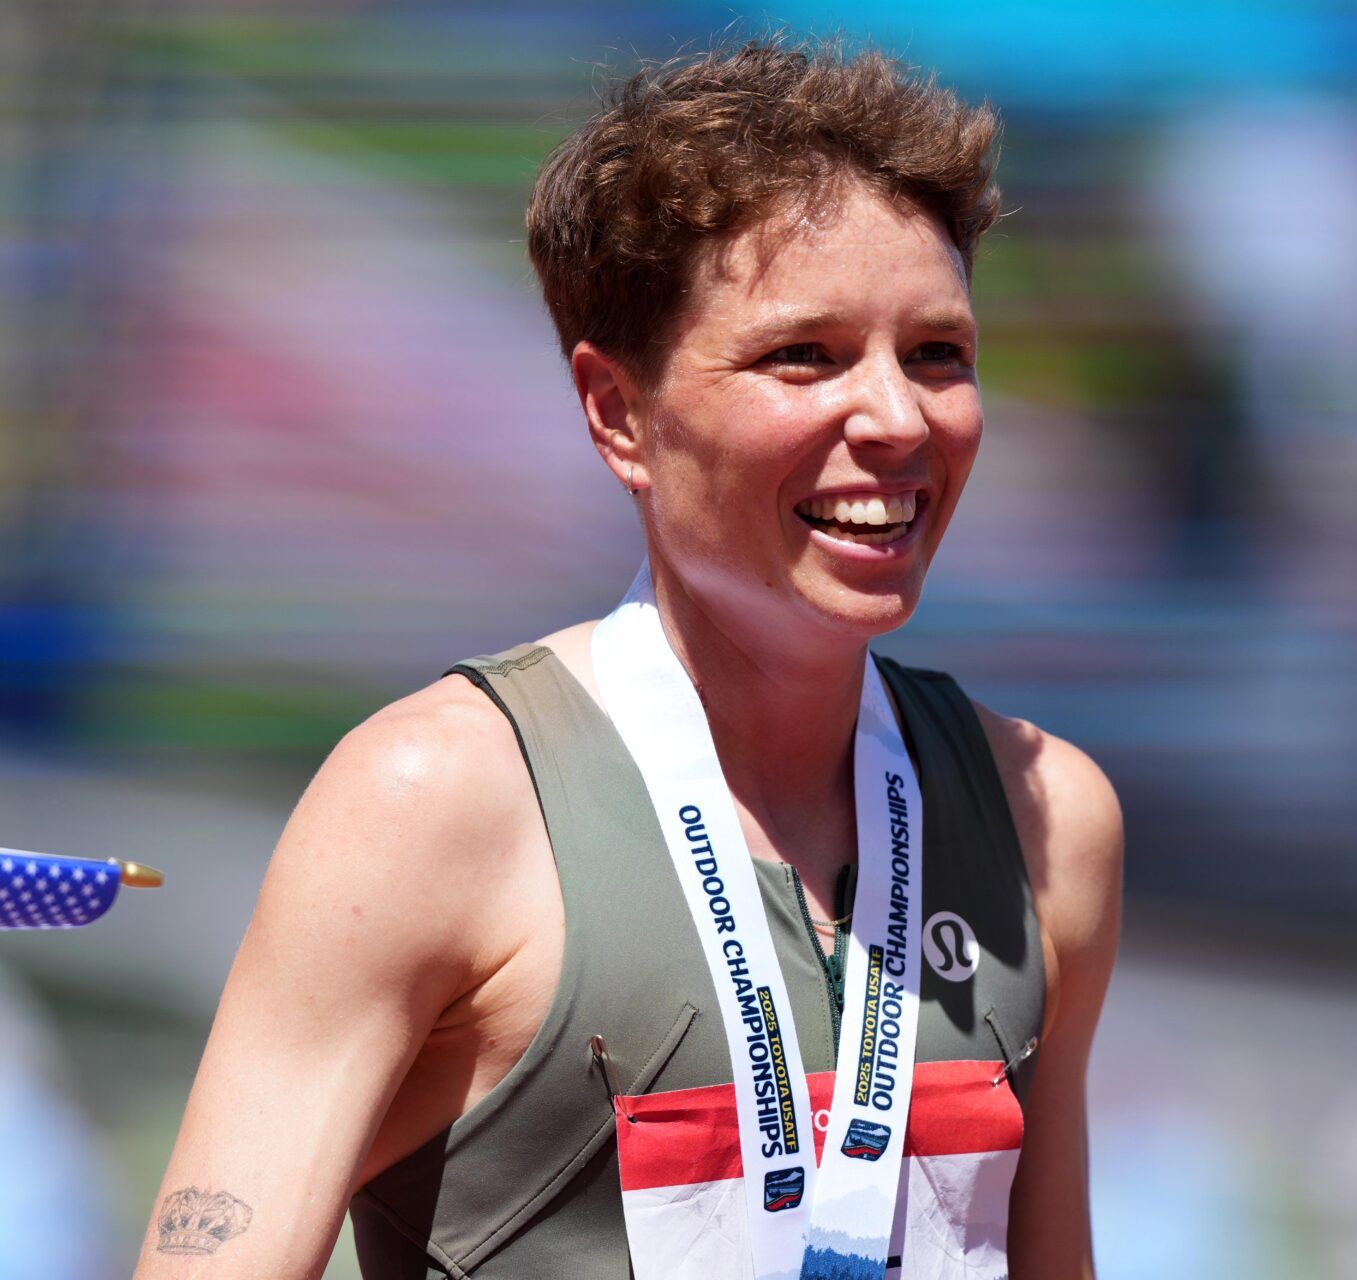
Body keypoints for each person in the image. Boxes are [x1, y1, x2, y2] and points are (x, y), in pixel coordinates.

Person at [136, 36, 1122, 1280]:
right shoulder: (430, 804)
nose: (896, 417)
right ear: (617, 412)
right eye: (802, 355)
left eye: (937, 353)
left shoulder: (1048, 821)